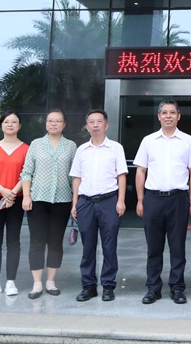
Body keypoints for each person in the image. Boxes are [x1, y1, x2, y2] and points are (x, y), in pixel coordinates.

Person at [134, 100, 191, 305]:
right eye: (164, 112)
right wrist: (140, 200)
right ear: (159, 116)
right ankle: (153, 288)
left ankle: (177, 288)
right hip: (153, 198)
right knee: (154, 247)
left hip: (178, 199)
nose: (168, 116)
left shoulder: (188, 141)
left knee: (177, 247)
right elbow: (140, 171)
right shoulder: (148, 141)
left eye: (172, 112)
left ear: (178, 116)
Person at [70, 109, 128, 302]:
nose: (95, 125)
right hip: (85, 202)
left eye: (99, 121)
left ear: (106, 125)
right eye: (92, 122)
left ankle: (108, 286)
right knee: (88, 247)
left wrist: (121, 200)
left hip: (109, 201)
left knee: (109, 246)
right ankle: (88, 286)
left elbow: (121, 175)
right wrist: (75, 203)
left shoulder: (115, 148)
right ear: (87, 126)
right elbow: (77, 178)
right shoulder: (81, 150)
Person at [20, 109, 76, 299]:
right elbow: (27, 172)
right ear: (45, 123)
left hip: (62, 200)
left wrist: (75, 201)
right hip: (37, 199)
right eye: (50, 120)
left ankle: (51, 281)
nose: (53, 124)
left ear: (64, 124)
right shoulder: (36, 144)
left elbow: (74, 176)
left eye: (58, 121)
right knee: (37, 241)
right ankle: (37, 283)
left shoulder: (71, 146)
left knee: (55, 242)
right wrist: (26, 196)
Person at [0, 111, 29, 297]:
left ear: (20, 126)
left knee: (13, 240)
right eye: (7, 121)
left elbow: (27, 173)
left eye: (14, 122)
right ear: (1, 125)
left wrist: (13, 193)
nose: (10, 124)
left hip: (16, 199)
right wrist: (3, 191)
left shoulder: (26, 149)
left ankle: (11, 282)